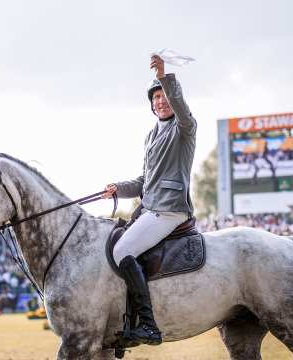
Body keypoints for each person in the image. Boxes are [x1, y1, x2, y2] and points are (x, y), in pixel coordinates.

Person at [103, 54, 196, 345]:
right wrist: (117, 188)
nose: (160, 101)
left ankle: (149, 326)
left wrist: (164, 77)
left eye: (164, 96)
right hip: (150, 207)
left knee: (121, 251)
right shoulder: (151, 135)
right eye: (156, 98)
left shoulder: (184, 128)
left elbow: (180, 107)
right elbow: (144, 181)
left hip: (169, 210)